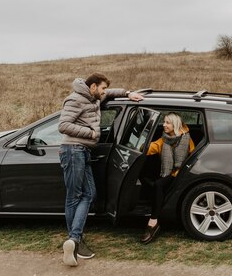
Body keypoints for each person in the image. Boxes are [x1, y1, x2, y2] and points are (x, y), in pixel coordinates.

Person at [58, 73, 143, 266]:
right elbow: (63, 125)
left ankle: (73, 240)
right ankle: (75, 240)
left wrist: (127, 93)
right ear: (93, 86)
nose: (104, 92)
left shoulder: (93, 96)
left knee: (89, 194)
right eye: (102, 88)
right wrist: (92, 133)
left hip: (83, 151)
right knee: (74, 196)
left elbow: (110, 93)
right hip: (73, 150)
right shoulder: (75, 99)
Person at [140, 112, 195, 244]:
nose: (164, 125)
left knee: (158, 185)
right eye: (164, 122)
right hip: (167, 173)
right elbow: (146, 149)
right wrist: (141, 140)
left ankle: (153, 221)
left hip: (182, 174)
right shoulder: (162, 140)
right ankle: (156, 216)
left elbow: (194, 157)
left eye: (167, 122)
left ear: (175, 124)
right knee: (148, 179)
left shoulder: (187, 139)